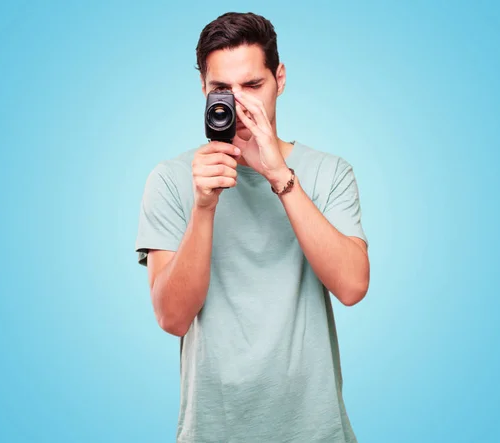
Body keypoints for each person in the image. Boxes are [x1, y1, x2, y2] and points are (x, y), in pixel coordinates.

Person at [135, 11, 370, 443]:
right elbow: (171, 317)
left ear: (279, 79)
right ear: (203, 90)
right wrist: (203, 208)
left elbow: (353, 286)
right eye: (221, 89)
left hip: (315, 431)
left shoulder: (327, 173)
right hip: (212, 430)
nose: (239, 104)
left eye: (253, 86)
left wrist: (279, 176)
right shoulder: (172, 179)